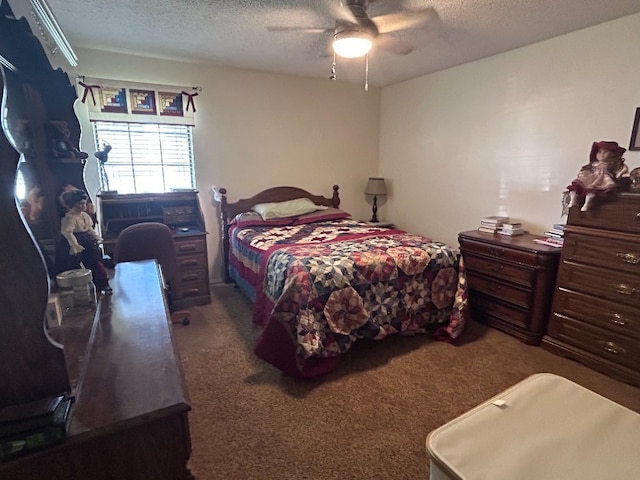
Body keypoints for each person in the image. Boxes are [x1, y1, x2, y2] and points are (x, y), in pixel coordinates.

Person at [57, 189, 111, 293]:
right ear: (72, 204)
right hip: (75, 241)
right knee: (77, 263)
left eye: (84, 203)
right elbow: (67, 232)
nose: (83, 206)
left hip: (86, 239)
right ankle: (84, 288)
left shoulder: (84, 215)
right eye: (80, 204)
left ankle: (101, 283)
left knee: (95, 261)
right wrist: (75, 245)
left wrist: (96, 237)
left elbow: (89, 228)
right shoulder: (69, 218)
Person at [567, 140, 629, 211]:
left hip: (603, 179)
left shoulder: (614, 165)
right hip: (592, 178)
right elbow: (587, 169)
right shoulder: (594, 164)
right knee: (577, 185)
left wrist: (620, 175)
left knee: (593, 190)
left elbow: (622, 172)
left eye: (605, 152)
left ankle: (587, 203)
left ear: (612, 154)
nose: (601, 154)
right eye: (599, 152)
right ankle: (573, 200)